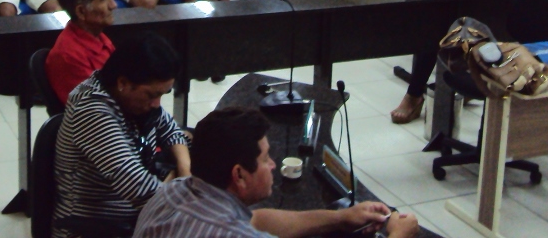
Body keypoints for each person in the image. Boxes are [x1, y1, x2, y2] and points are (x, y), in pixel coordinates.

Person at [134, 106, 420, 238]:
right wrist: (396, 235)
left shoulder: (170, 193)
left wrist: (341, 218)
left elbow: (257, 220)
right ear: (239, 175)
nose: (272, 165)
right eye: (266, 158)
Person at [54, 34, 189, 238]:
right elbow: (139, 189)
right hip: (100, 227)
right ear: (123, 83)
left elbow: (170, 130)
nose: (157, 104)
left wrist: (185, 171)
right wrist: (184, 186)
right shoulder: (92, 112)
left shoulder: (132, 99)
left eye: (162, 94)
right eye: (152, 95)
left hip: (140, 214)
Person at [46, 0, 117, 106]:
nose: (113, 5)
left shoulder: (98, 35)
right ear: (81, 11)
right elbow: (96, 110)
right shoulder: (68, 55)